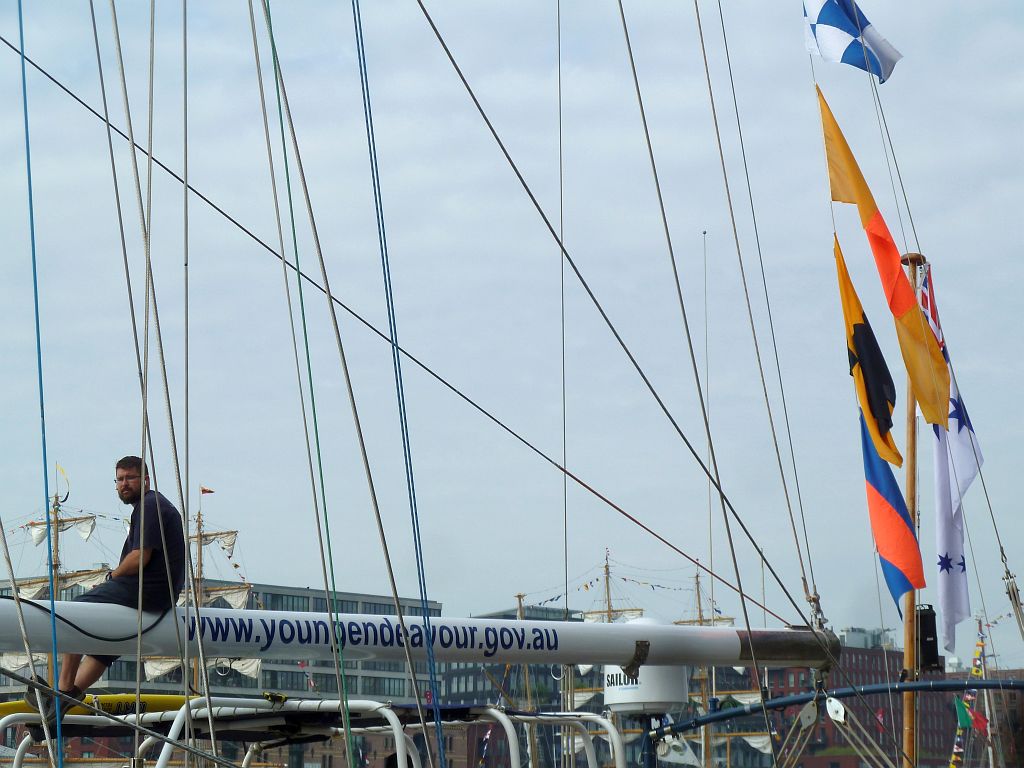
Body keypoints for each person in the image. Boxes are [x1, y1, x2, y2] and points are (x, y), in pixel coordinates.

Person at [26, 455, 186, 721]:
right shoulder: (151, 506)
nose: (124, 484)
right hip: (159, 594)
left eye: (130, 478)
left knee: (75, 611)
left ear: (145, 480)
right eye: (120, 479)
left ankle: (62, 691)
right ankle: (70, 696)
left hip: (147, 589)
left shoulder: (150, 505)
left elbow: (140, 556)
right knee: (104, 647)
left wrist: (112, 576)